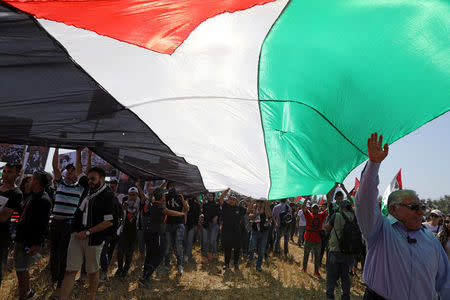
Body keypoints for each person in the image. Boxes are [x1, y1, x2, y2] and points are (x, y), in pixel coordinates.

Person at [356, 132, 450, 299]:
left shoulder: (432, 241)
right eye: (414, 207)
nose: (421, 212)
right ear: (393, 209)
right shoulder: (379, 232)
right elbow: (364, 202)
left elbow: (445, 282)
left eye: (422, 207)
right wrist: (373, 164)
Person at [59, 167, 115, 300]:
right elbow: (79, 170)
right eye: (89, 178)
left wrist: (88, 232)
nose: (90, 181)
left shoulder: (108, 195)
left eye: (93, 179)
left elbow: (108, 222)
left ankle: (92, 296)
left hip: (94, 238)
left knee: (92, 271)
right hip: (77, 235)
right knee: (70, 270)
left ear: (102, 179)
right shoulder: (87, 190)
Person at [49, 148, 88, 297]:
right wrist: (56, 147)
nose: (70, 173)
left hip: (68, 225)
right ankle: (54, 277)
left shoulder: (79, 188)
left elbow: (80, 171)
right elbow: (54, 166)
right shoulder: (59, 184)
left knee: (63, 254)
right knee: (54, 252)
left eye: (72, 172)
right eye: (68, 171)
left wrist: (78, 153)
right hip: (55, 224)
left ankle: (60, 285)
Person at [14, 171, 52, 300]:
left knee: (22, 268)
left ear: (36, 182)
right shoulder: (32, 195)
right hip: (21, 237)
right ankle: (24, 294)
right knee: (20, 268)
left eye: (31, 179)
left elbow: (42, 225)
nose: (28, 182)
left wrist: (37, 243)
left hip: (28, 241)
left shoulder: (44, 200)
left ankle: (25, 296)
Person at [138, 187, 186, 289]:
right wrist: (181, 214)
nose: (165, 195)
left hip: (149, 232)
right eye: (164, 194)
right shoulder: (159, 206)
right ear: (162, 196)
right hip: (156, 234)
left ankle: (144, 275)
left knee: (150, 255)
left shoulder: (152, 204)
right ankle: (145, 277)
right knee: (159, 255)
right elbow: (168, 212)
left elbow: (146, 210)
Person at [0, 163, 23, 287]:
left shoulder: (16, 193)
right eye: (4, 171)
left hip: (1, 235)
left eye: (9, 172)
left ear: (17, 174)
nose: (5, 174)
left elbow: (3, 217)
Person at [325, 201, 354, 300]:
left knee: (331, 277)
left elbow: (327, 228)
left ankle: (330, 297)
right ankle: (346, 297)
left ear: (341, 207)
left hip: (335, 249)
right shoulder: (354, 217)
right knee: (345, 277)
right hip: (348, 252)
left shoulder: (336, 215)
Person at [115, 187, 140, 279]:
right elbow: (122, 213)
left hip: (134, 230)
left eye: (134, 194)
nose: (132, 196)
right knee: (120, 251)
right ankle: (120, 268)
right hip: (124, 229)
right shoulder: (125, 201)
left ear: (137, 195)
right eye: (130, 194)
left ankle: (125, 271)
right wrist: (123, 208)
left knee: (129, 253)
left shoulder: (140, 202)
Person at [162, 188, 189, 275]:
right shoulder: (166, 196)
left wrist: (183, 200)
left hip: (179, 224)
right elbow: (163, 207)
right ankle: (166, 265)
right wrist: (164, 199)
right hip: (169, 223)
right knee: (168, 245)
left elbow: (187, 209)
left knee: (178, 245)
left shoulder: (181, 195)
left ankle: (179, 265)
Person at [219, 189, 246, 271]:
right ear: (228, 199)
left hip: (236, 232)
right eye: (230, 199)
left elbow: (247, 211)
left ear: (236, 201)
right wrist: (227, 190)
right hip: (226, 231)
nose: (232, 201)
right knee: (228, 248)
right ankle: (226, 264)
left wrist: (251, 202)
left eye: (233, 200)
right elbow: (220, 199)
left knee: (237, 248)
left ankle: (236, 264)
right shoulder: (225, 206)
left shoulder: (239, 209)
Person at [301, 203, 327, 278]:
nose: (315, 209)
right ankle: (304, 268)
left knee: (317, 256)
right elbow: (303, 207)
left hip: (317, 239)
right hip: (308, 238)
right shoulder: (308, 215)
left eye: (316, 208)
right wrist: (308, 197)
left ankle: (316, 271)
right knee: (306, 254)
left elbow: (329, 207)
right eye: (313, 208)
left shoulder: (321, 215)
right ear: (311, 209)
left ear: (318, 209)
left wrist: (329, 198)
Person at [247, 199, 271, 271]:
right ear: (256, 202)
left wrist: (266, 207)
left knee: (261, 249)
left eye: (262, 202)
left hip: (264, 232)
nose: (260, 203)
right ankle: (250, 258)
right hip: (255, 231)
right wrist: (258, 213)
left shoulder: (267, 208)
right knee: (252, 246)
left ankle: (258, 266)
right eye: (258, 201)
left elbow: (269, 217)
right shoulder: (254, 207)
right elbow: (249, 217)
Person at [201, 192, 221, 263]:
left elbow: (220, 213)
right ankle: (205, 256)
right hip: (206, 224)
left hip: (214, 225)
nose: (210, 197)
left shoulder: (217, 205)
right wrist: (202, 216)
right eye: (209, 196)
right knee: (205, 241)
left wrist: (217, 216)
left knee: (212, 240)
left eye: (212, 196)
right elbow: (203, 213)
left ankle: (212, 252)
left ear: (214, 197)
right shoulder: (205, 205)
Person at [184, 194, 201, 262]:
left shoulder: (197, 205)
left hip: (192, 225)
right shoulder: (184, 202)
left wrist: (196, 225)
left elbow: (197, 216)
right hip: (184, 224)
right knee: (184, 240)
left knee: (190, 240)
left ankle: (187, 255)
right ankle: (185, 252)